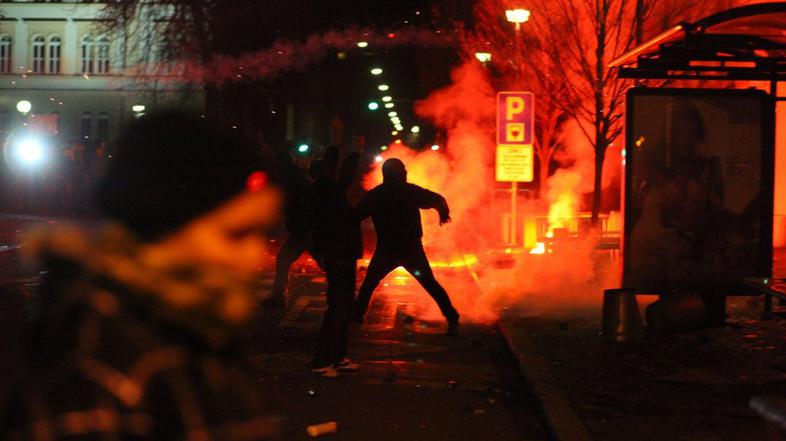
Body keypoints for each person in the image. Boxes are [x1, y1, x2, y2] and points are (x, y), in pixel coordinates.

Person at [0, 112, 282, 440]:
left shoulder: (192, 327)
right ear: (164, 231)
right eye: (235, 234)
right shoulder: (97, 359)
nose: (255, 257)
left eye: (262, 232)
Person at [354, 158, 459, 335]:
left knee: (369, 285)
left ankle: (355, 318)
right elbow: (437, 199)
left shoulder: (376, 194)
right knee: (430, 284)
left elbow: (355, 216)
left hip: (387, 249)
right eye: (402, 170)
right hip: (410, 249)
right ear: (398, 174)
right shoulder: (409, 191)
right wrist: (443, 213)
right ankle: (452, 317)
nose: (405, 172)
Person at [306, 144, 363, 378]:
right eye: (331, 167)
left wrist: (353, 157)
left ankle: (338, 358)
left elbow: (345, 181)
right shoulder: (321, 190)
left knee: (344, 306)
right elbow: (338, 178)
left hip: (343, 253)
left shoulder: (330, 190)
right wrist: (335, 152)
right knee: (337, 307)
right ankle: (321, 362)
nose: (335, 171)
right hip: (336, 253)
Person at [265, 150, 322, 310]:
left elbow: (296, 202)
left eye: (277, 163)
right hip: (304, 229)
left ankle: (278, 298)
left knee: (284, 259)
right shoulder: (295, 177)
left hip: (304, 229)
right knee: (324, 262)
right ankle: (345, 293)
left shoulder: (291, 179)